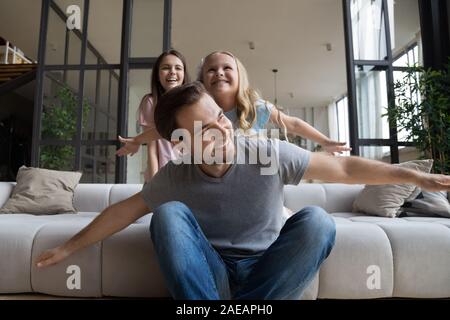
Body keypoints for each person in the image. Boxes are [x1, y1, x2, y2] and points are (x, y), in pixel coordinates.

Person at [36, 82, 450, 300]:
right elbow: (124, 211)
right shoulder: (176, 176)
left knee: (317, 221)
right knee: (166, 214)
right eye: (203, 128)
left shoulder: (268, 153)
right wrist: (68, 249)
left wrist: (412, 177)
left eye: (219, 116)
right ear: (181, 142)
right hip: (210, 269)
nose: (221, 128)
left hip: (266, 266)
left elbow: (341, 166)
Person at [116, 51, 351, 159]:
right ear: (202, 80)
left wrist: (325, 141)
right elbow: (161, 130)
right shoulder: (197, 108)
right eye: (211, 69)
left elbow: (294, 124)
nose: (219, 73)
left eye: (226, 68)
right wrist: (136, 141)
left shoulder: (255, 108)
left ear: (239, 75)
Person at [121, 49, 190, 181]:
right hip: (161, 175)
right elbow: (152, 149)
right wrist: (154, 184)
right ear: (158, 75)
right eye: (166, 68)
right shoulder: (151, 102)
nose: (172, 72)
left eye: (178, 68)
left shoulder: (192, 104)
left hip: (187, 176)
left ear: (184, 74)